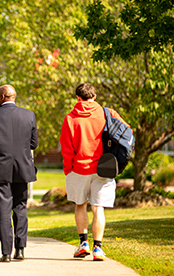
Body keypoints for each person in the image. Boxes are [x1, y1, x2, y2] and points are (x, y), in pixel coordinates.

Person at [60, 83, 129, 261]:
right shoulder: (108, 114)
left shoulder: (69, 119)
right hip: (104, 168)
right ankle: (98, 248)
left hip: (78, 169)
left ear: (78, 98)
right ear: (94, 96)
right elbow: (126, 133)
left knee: (80, 205)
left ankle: (83, 244)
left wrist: (68, 169)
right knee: (98, 208)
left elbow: (67, 150)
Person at [0, 85, 38, 262]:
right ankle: (20, 249)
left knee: (3, 210)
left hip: (0, 167)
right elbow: (34, 144)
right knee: (20, 207)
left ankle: (6, 253)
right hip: (23, 167)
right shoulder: (29, 115)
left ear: (4, 97)